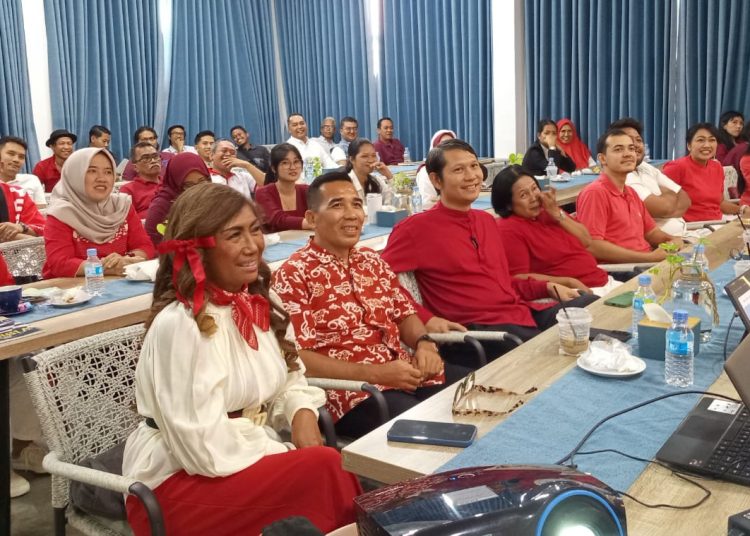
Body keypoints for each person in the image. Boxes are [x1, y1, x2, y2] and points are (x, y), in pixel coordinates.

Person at [123, 183, 361, 535]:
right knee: (326, 470)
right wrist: (280, 449)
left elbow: (290, 376)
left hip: (243, 456)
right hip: (178, 482)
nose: (253, 246)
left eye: (255, 229)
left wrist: (301, 411)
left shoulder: (261, 302)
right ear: (197, 249)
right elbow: (202, 448)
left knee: (325, 474)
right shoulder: (182, 325)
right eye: (234, 235)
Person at [272, 172, 466, 438]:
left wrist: (424, 344)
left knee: (477, 395)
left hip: (404, 372)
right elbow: (299, 357)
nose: (351, 214)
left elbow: (404, 314)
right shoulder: (293, 274)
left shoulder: (372, 261)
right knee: (437, 429)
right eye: (337, 205)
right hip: (352, 394)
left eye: (356, 204)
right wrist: (376, 374)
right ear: (312, 218)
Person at [380, 139, 592, 364]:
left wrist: (547, 287)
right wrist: (426, 319)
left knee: (589, 307)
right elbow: (379, 282)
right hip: (477, 333)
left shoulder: (486, 221)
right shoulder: (414, 229)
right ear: (436, 180)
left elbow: (503, 283)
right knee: (556, 354)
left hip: (521, 314)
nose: (471, 176)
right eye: (459, 170)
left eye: (474, 166)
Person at [493, 165, 618, 297]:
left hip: (603, 281)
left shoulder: (548, 211)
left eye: (534, 189)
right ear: (508, 204)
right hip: (575, 293)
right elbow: (519, 278)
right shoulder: (509, 229)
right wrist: (568, 282)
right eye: (524, 195)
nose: (534, 197)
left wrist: (556, 213)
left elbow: (586, 240)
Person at [43, 148, 154, 278]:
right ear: (75, 175)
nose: (102, 178)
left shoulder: (121, 206)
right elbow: (61, 264)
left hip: (119, 281)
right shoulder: (61, 213)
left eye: (108, 172)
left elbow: (145, 246)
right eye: (92, 171)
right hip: (72, 287)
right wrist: (105, 268)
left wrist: (126, 259)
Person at [576, 130, 682, 264]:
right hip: (623, 268)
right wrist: (648, 258)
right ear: (602, 159)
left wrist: (672, 240)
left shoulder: (631, 192)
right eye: (618, 149)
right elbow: (593, 246)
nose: (628, 154)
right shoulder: (595, 193)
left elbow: (651, 233)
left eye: (631, 149)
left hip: (646, 261)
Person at [610, 117, 691, 236]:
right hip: (657, 241)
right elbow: (663, 208)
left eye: (638, 140)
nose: (635, 145)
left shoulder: (645, 166)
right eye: (629, 140)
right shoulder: (624, 176)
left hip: (683, 234)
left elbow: (686, 200)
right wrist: (670, 196)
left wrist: (667, 206)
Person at [663, 123, 740, 221]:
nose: (707, 145)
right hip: (690, 226)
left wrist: (742, 210)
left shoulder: (717, 167)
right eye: (700, 140)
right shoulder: (676, 167)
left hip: (717, 223)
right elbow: (663, 206)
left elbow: (719, 203)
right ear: (689, 145)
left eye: (712, 140)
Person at [145, 152, 211, 246]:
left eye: (202, 181)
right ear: (175, 184)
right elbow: (153, 244)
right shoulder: (161, 207)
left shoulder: (213, 197)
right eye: (189, 185)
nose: (197, 189)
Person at [254, 143, 312, 232]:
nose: (292, 167)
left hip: (306, 239)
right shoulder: (263, 192)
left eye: (296, 162)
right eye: (285, 163)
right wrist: (312, 223)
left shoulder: (307, 190)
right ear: (274, 168)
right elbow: (277, 219)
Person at [119, 142, 162, 218]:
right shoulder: (128, 190)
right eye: (146, 158)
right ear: (135, 167)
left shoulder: (170, 183)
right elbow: (126, 219)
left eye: (155, 156)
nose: (153, 161)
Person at [0, 136, 46, 206]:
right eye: (11, 154)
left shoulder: (32, 180)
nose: (16, 160)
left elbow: (41, 210)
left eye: (21, 157)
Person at [416, 129, 456, 210]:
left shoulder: (458, 168)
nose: (448, 148)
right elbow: (427, 203)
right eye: (443, 144)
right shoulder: (426, 172)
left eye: (452, 144)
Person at [346, 138, 392, 206]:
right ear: (352, 159)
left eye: (373, 155)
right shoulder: (346, 184)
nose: (371, 160)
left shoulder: (376, 180)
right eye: (364, 156)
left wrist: (389, 176)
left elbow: (391, 204)